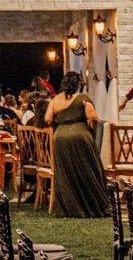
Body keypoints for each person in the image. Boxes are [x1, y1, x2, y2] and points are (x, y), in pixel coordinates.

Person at [45, 72, 107, 218]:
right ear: (78, 84)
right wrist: (92, 131)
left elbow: (48, 118)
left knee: (65, 173)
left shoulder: (55, 100)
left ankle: (69, 207)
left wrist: (59, 125)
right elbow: (93, 118)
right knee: (87, 169)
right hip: (80, 135)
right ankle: (91, 206)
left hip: (60, 137)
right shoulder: (83, 99)